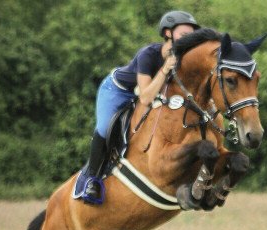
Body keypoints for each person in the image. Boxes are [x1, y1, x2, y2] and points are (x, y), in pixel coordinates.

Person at [80, 10, 200, 204]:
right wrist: (165, 68)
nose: (190, 38)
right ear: (168, 33)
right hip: (117, 91)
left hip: (149, 94)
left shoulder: (182, 58)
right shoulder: (148, 54)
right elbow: (145, 96)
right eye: (184, 34)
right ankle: (92, 179)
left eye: (192, 35)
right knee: (104, 128)